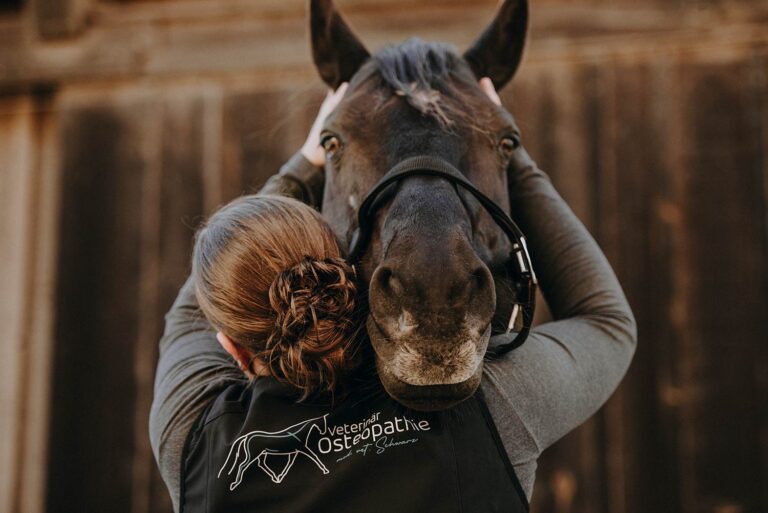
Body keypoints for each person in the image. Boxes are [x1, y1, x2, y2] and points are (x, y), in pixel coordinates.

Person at [149, 79, 637, 512]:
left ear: (231, 347)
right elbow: (606, 321)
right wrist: (506, 148)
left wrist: (305, 165)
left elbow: (188, 318)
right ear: (343, 275)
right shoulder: (494, 405)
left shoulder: (191, 445)